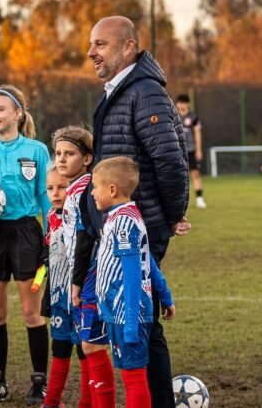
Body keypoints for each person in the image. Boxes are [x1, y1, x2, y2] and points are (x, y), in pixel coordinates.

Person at [84, 15, 190, 408]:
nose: (91, 52)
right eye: (91, 44)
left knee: (141, 324)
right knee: (141, 323)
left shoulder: (144, 92)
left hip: (136, 230)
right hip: (116, 227)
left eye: (101, 44)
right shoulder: (120, 90)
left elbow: (170, 160)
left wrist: (166, 220)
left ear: (129, 47)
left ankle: (155, 400)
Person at [0, 85, 51, 405]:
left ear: (18, 113)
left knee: (32, 312)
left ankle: (40, 382)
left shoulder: (37, 150)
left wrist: (49, 237)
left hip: (27, 237)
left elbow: (45, 196)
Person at [88, 157, 175, 408]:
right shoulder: (120, 217)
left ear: (112, 190)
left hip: (127, 316)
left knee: (134, 378)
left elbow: (134, 273)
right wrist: (166, 297)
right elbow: (150, 264)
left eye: (96, 186)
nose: (92, 192)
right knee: (131, 374)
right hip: (121, 314)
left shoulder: (124, 222)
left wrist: (129, 322)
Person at [44, 126, 94, 408]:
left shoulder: (86, 194)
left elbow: (84, 242)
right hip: (59, 292)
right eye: (58, 154)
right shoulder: (52, 214)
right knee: (60, 346)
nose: (62, 159)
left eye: (69, 153)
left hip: (81, 287)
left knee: (85, 348)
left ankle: (87, 403)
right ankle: (51, 402)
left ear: (86, 158)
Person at [175, 94, 206, 209]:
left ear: (188, 104)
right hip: (177, 151)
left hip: (191, 150)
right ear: (177, 104)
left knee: (195, 174)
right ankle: (178, 201)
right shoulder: (173, 116)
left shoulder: (193, 117)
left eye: (184, 102)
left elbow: (198, 134)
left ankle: (200, 199)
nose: (182, 105)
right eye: (180, 102)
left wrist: (198, 150)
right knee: (177, 176)